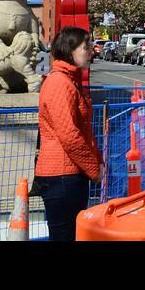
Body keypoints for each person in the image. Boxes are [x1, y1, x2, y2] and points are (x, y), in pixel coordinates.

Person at [34, 27, 102, 240]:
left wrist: (97, 162)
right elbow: (69, 135)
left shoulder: (70, 80)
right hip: (61, 177)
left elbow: (81, 131)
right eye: (85, 47)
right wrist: (94, 169)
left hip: (69, 175)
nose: (91, 51)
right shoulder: (59, 82)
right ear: (69, 50)